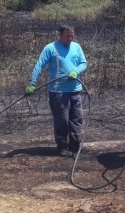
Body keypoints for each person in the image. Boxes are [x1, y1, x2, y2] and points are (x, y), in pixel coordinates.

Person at [26, 25, 88, 157]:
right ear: (60, 34)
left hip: (75, 90)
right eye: (67, 36)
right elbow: (40, 65)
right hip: (58, 92)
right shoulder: (50, 48)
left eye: (72, 36)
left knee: (76, 118)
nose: (70, 39)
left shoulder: (76, 47)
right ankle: (62, 145)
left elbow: (83, 63)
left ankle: (75, 145)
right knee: (62, 120)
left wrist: (76, 71)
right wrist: (32, 83)